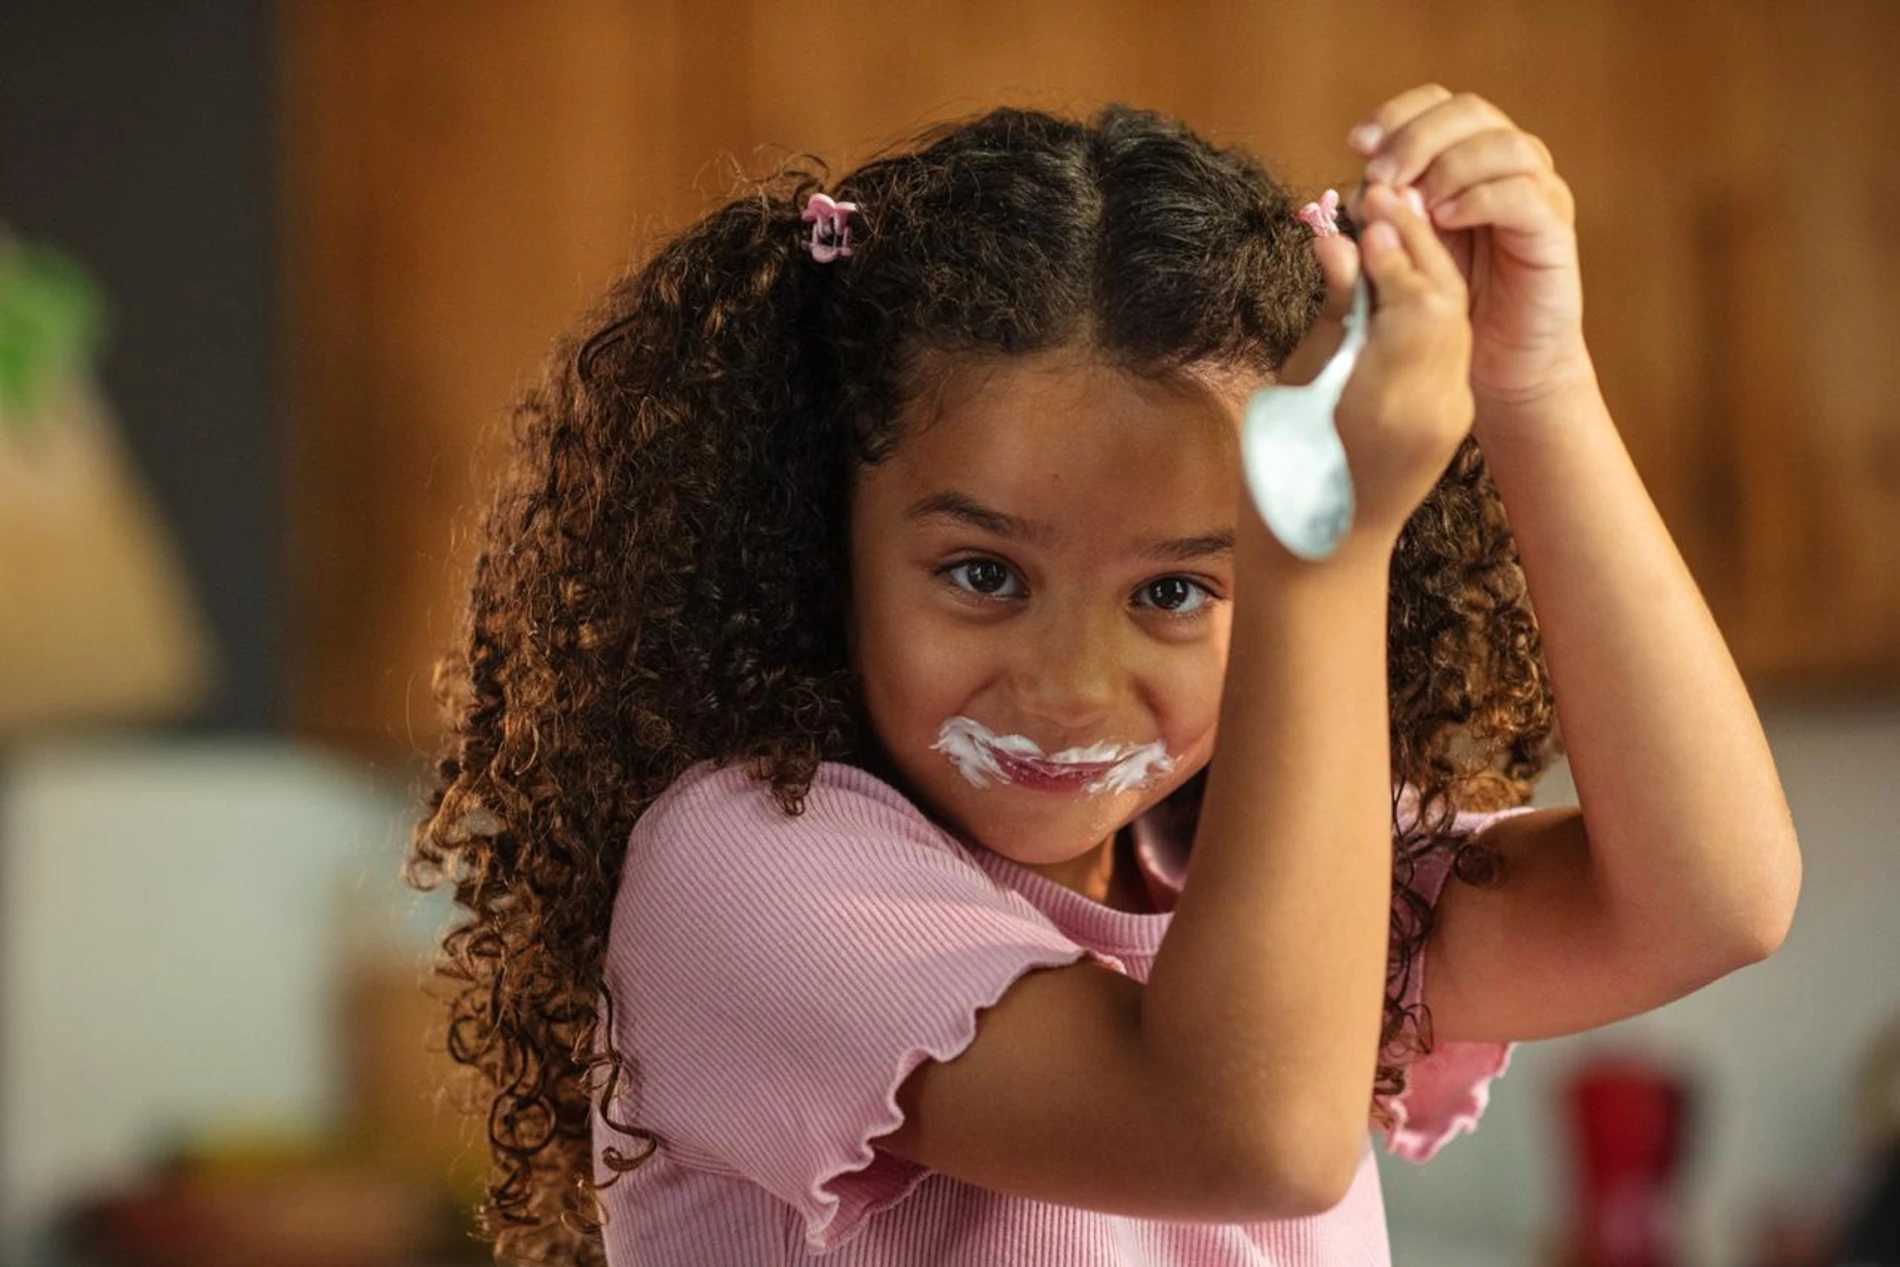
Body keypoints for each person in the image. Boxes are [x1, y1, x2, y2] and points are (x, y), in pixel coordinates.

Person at [406, 85, 1802, 1266]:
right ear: (816, 538)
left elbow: (1707, 899)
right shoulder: (746, 866)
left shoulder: (1243, 867)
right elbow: (1246, 1131)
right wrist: (1310, 544)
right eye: (984, 574)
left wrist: (1537, 385)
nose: (1071, 686)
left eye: (1179, 589)